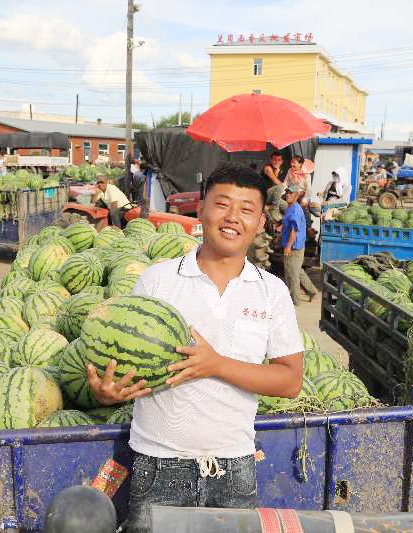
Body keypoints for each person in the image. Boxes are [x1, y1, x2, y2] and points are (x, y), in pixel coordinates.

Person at [87, 163, 304, 533]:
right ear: (201, 210)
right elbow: (124, 370)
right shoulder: (158, 281)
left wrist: (214, 364)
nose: (233, 217)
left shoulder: (273, 292)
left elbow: (289, 381)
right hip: (159, 464)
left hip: (235, 465)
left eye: (246, 209)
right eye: (222, 204)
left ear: (261, 222)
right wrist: (108, 394)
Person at [281, 185, 318, 306]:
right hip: (295, 245)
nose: (288, 195)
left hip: (294, 247)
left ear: (296, 196)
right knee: (297, 271)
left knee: (292, 275)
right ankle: (312, 292)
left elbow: (294, 230)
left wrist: (288, 246)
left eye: (291, 193)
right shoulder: (290, 207)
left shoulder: (295, 209)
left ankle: (294, 301)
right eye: (287, 192)